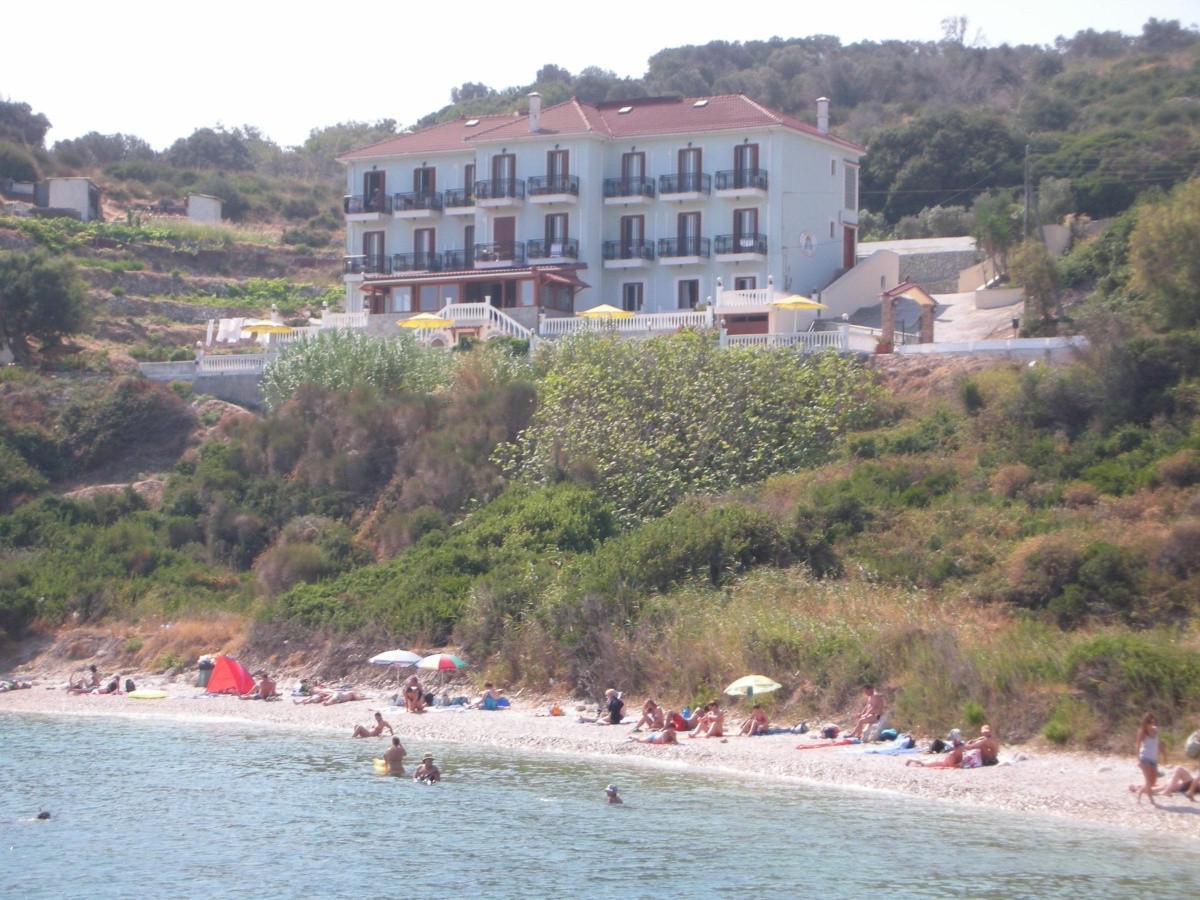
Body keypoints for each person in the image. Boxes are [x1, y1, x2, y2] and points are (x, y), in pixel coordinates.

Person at [1133, 712, 1160, 806]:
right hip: (1145, 758)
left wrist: (1164, 753)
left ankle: (1139, 792)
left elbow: (1158, 743)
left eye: (1151, 722)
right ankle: (1151, 800)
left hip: (1153, 758)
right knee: (1148, 780)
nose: (1150, 724)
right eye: (1148, 722)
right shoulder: (1142, 732)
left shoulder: (1156, 730)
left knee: (1153, 781)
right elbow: (1138, 745)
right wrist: (1137, 758)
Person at [1131, 765, 1198, 799]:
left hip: (1192, 785)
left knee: (1179, 770)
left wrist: (1190, 791)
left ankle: (1139, 789)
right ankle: (1140, 788)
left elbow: (1196, 780)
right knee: (1166, 784)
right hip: (1191, 785)